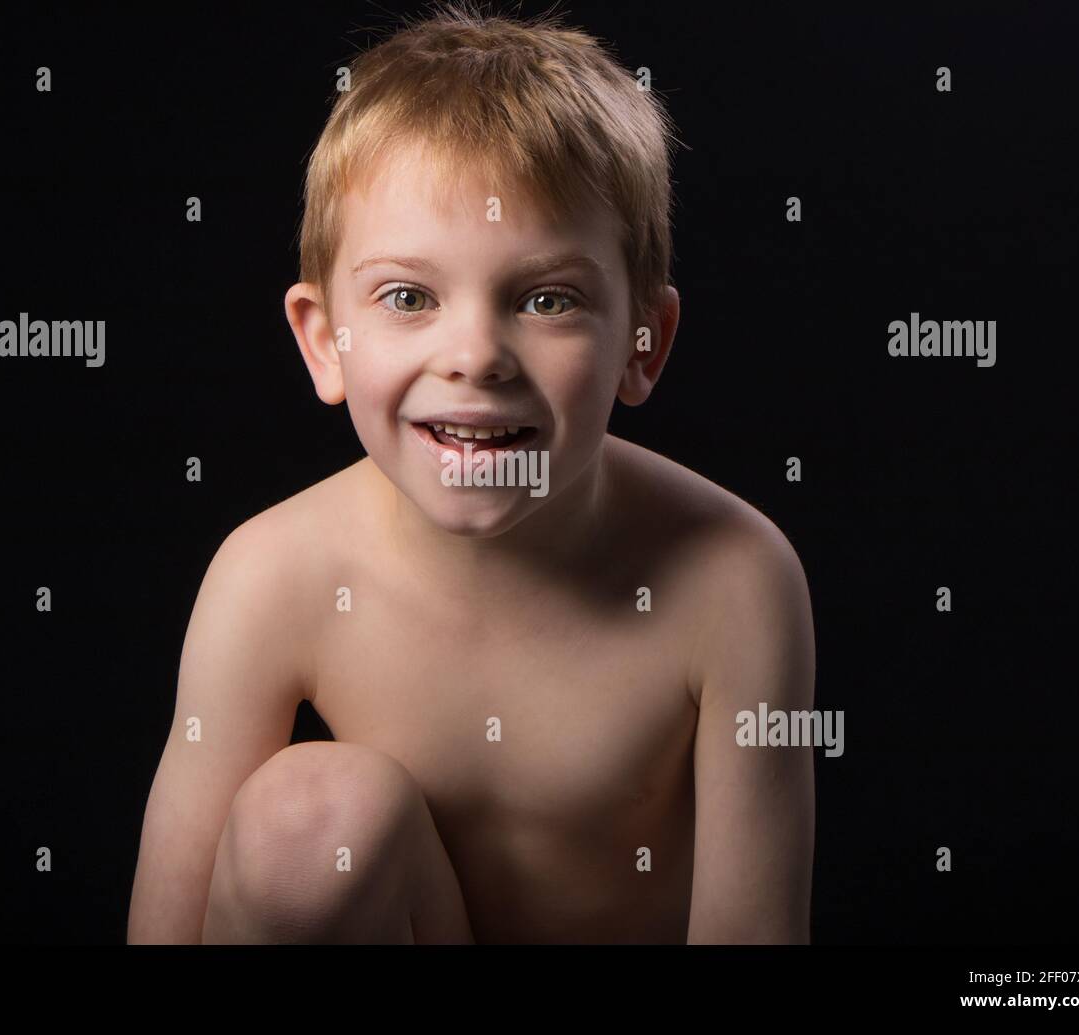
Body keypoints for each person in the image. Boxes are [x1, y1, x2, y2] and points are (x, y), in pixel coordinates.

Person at [128, 0, 815, 945]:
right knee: (306, 825)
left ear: (643, 345)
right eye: (409, 296)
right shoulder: (270, 574)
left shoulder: (733, 577)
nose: (476, 355)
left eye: (546, 298)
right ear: (325, 342)